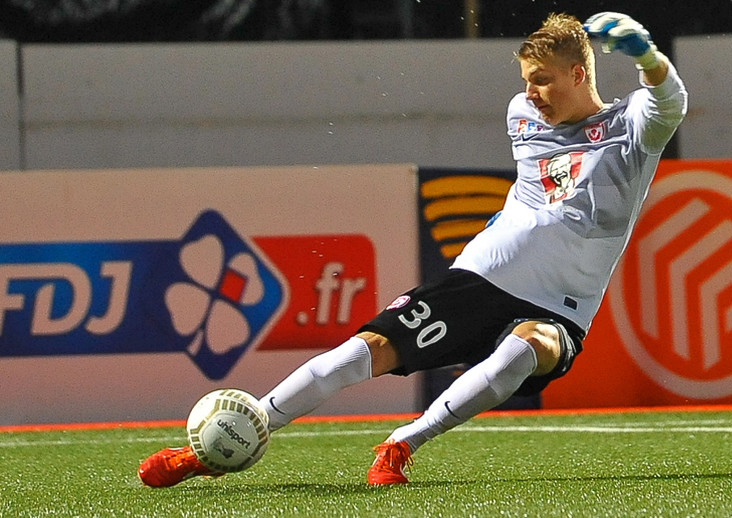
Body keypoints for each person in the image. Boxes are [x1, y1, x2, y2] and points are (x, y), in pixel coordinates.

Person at [137, 11, 687, 487]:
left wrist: (647, 56)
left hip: (562, 307)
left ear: (579, 72)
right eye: (527, 81)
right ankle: (220, 446)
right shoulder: (522, 113)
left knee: (523, 351)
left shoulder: (631, 127)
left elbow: (670, 102)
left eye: (543, 80)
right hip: (477, 278)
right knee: (360, 352)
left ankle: (403, 443)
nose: (531, 94)